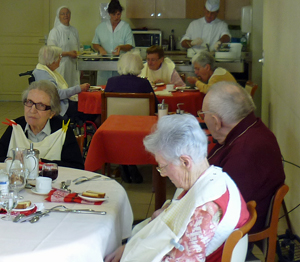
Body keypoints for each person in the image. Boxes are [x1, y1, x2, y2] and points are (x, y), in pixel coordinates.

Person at [105, 114, 250, 262]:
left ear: (185, 162)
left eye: (164, 167)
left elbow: (186, 258)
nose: (163, 174)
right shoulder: (212, 178)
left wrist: (132, 251)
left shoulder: (206, 207)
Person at [200, 81, 285, 233]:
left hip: (236, 232)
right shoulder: (249, 128)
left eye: (203, 115)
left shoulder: (245, 151)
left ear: (216, 121)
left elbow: (220, 209)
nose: (203, 120)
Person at [0, 80, 84, 169]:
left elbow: (76, 167)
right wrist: (9, 160)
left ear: (52, 113)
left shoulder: (62, 131)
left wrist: (41, 163)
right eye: (29, 102)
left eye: (41, 105)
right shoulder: (15, 127)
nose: (32, 110)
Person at [105, 50, 158, 184]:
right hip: (140, 126)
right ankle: (128, 163)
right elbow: (155, 107)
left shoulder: (111, 82)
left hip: (114, 126)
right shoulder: (144, 84)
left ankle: (123, 162)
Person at [33, 45, 90, 120]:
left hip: (63, 103)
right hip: (61, 107)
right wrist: (78, 88)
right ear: (53, 60)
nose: (60, 59)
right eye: (59, 56)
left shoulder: (47, 70)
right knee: (92, 110)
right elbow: (56, 94)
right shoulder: (43, 74)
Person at [92, 0, 135, 85]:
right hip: (104, 66)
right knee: (103, 90)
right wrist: (100, 48)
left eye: (118, 14)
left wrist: (121, 47)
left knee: (119, 90)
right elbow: (95, 43)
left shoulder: (125, 27)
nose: (116, 17)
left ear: (121, 13)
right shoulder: (101, 27)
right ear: (109, 14)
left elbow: (130, 45)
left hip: (121, 66)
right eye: (113, 14)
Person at [47, 6, 80, 87]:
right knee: (62, 89)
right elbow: (52, 51)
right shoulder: (55, 32)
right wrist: (68, 53)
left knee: (73, 89)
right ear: (59, 16)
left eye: (67, 13)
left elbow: (78, 47)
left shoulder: (74, 31)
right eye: (63, 14)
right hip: (60, 66)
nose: (66, 15)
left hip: (73, 67)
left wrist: (80, 67)